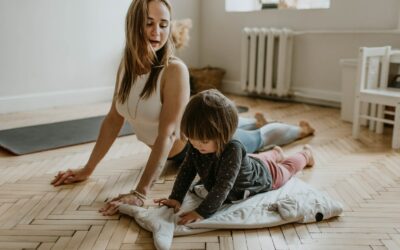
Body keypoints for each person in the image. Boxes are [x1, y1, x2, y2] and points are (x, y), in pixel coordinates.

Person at [50, 0, 314, 215]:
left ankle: (298, 131)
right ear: (133, 24)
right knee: (246, 131)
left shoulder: (174, 70)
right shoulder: (126, 67)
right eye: (149, 23)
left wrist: (141, 192)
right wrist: (88, 169)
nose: (157, 32)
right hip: (192, 140)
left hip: (198, 147)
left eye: (164, 25)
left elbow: (169, 135)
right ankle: (254, 123)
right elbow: (113, 120)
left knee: (258, 138)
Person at [155, 89, 314, 225]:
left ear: (224, 134)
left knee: (286, 168)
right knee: (255, 159)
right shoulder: (197, 145)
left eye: (203, 141)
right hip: (249, 162)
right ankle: (276, 153)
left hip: (265, 175)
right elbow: (187, 170)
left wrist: (201, 212)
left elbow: (223, 185)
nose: (196, 145)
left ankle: (306, 155)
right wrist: (176, 197)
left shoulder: (233, 148)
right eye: (192, 138)